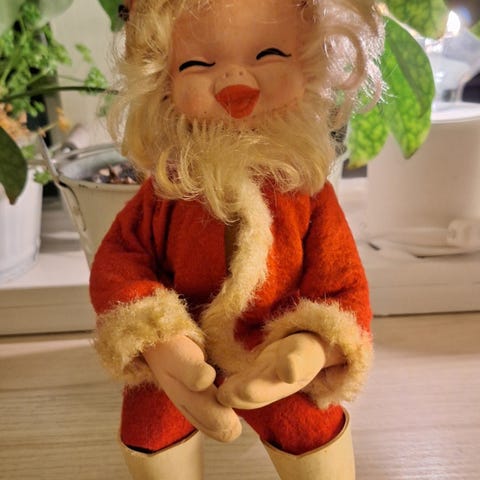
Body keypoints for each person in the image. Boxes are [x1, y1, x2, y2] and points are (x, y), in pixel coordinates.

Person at [90, 0, 384, 478]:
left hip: (272, 356)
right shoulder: (169, 190)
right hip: (182, 355)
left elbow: (343, 283)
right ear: (163, 80)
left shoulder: (305, 193)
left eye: (269, 54)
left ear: (308, 64)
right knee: (149, 424)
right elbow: (120, 261)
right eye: (197, 64)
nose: (234, 80)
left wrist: (313, 346)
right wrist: (158, 339)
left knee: (310, 426)